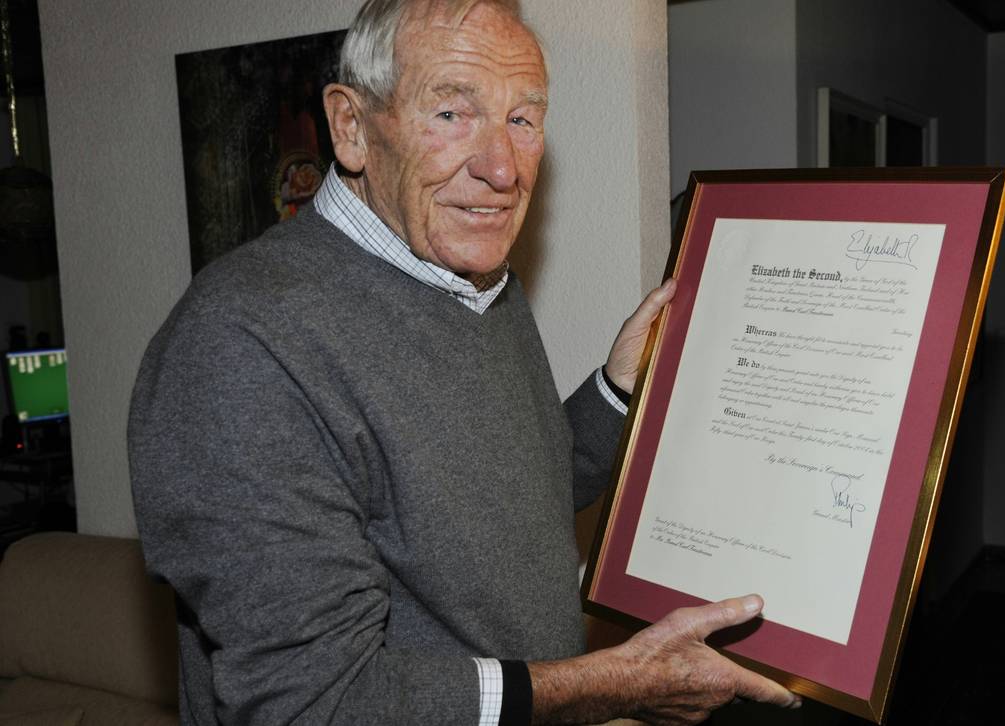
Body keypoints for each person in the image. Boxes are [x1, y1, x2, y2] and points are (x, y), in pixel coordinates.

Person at [127, 0, 802, 723]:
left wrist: (616, 387)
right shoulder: (243, 345)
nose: (501, 168)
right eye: (452, 113)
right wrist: (614, 684)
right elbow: (317, 704)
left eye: (523, 119)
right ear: (352, 128)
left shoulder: (473, 277)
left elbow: (508, 499)